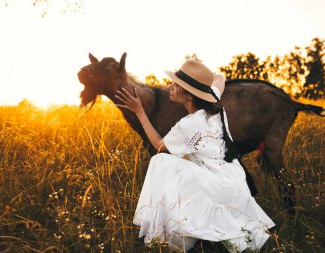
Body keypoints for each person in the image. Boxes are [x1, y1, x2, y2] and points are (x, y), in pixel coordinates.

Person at [115, 59, 275, 252]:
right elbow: (219, 79)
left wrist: (140, 112)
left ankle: (177, 229)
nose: (169, 86)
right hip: (234, 181)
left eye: (175, 84)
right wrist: (204, 82)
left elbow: (159, 145)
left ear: (188, 94)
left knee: (162, 161)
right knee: (184, 164)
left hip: (218, 185)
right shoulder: (216, 105)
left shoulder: (188, 125)